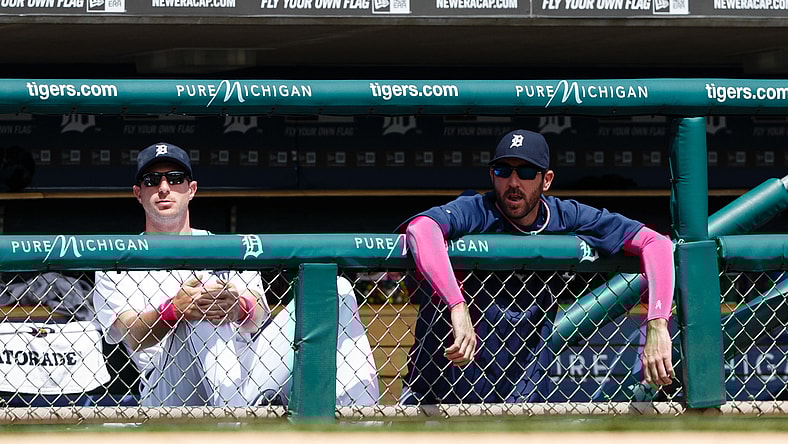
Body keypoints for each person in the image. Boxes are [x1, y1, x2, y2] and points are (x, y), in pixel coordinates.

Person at [92, 142, 379, 407]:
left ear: (191, 189)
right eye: (152, 181)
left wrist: (237, 307)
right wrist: (173, 310)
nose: (164, 188)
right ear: (137, 192)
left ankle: (361, 419)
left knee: (337, 290)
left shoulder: (228, 247)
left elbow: (257, 318)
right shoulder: (118, 259)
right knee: (203, 297)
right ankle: (235, 424)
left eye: (175, 178)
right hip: (168, 388)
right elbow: (132, 336)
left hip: (246, 374)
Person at [399, 129, 674, 404]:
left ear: (546, 180)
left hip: (516, 403)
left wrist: (657, 325)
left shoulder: (566, 216)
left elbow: (656, 244)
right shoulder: (477, 209)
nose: (513, 182)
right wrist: (457, 306)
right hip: (434, 397)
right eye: (503, 170)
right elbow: (422, 229)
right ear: (492, 175)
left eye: (527, 172)